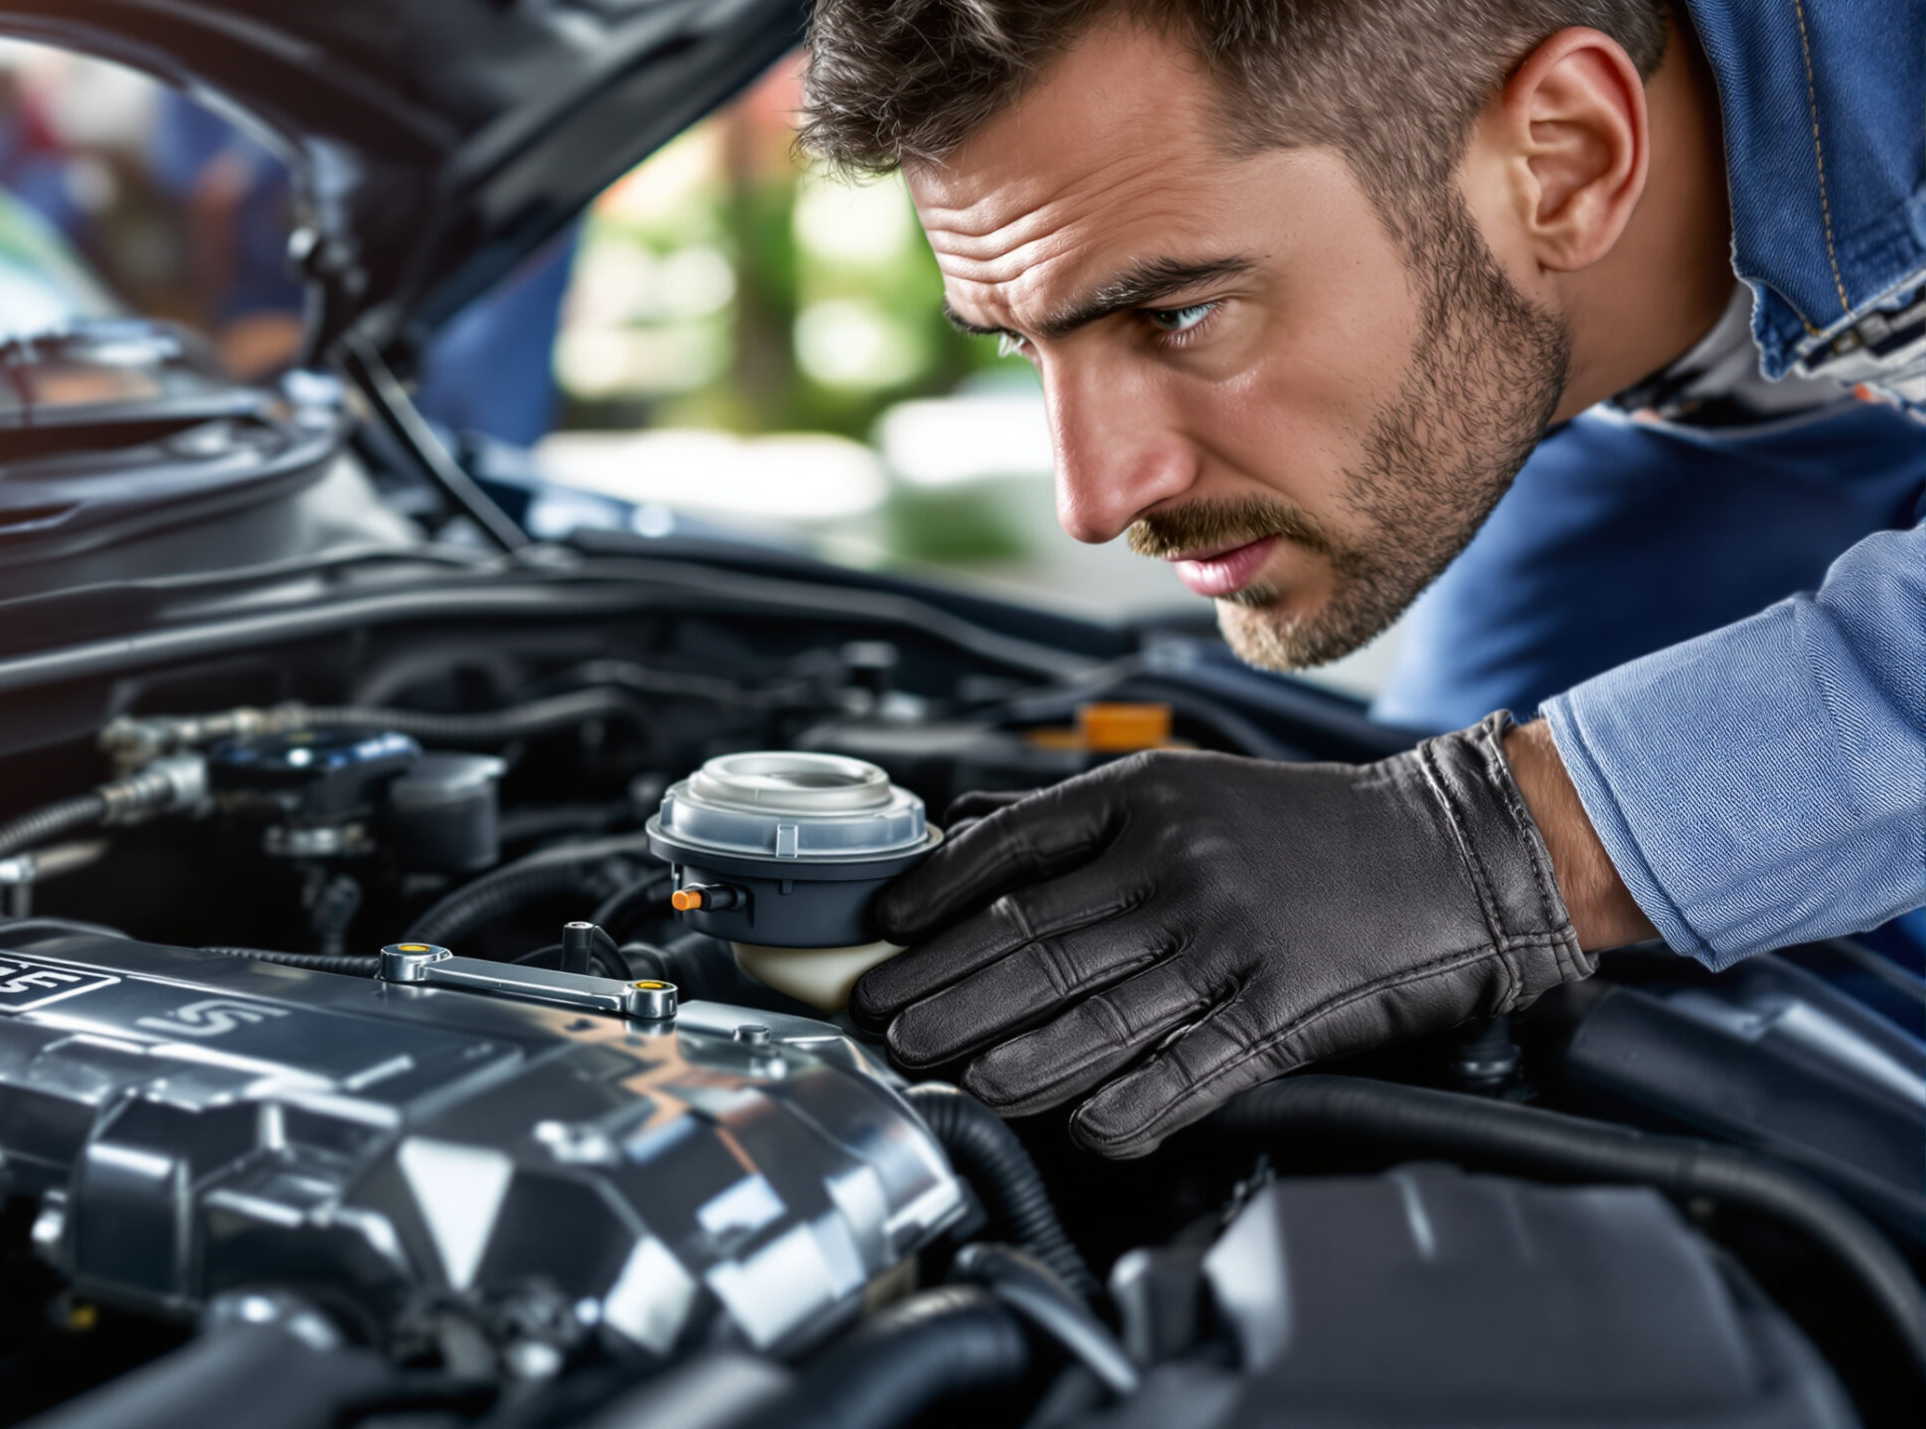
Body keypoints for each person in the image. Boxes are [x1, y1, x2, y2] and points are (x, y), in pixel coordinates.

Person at [795, 0, 1926, 1157]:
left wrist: (1498, 845)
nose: (1091, 500)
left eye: (1177, 314)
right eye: (1021, 341)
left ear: (1565, 160)